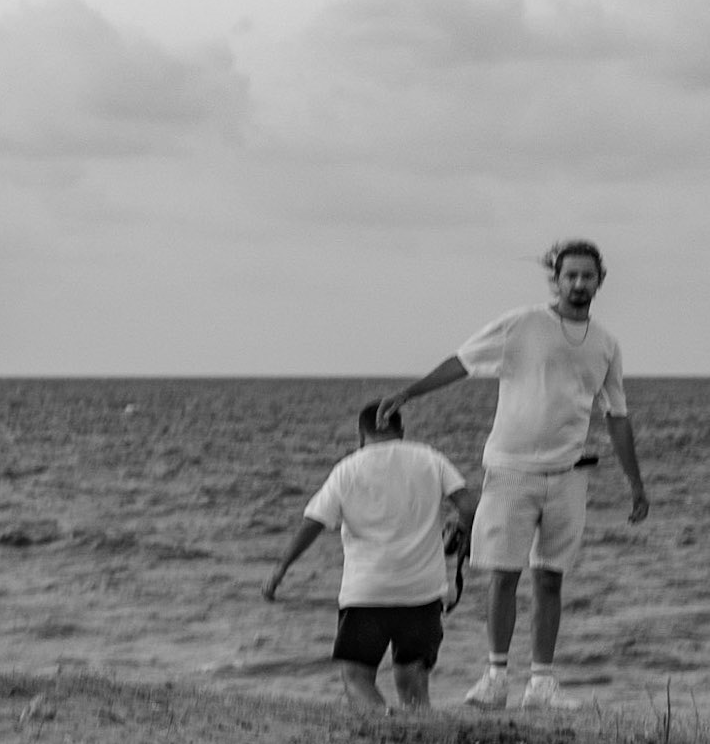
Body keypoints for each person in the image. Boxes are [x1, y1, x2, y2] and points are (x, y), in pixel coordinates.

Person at [377, 240, 647, 710]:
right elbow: (463, 362)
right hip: (510, 471)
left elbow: (616, 416)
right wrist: (410, 393)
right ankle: (495, 677)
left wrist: (636, 484)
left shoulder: (606, 345)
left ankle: (542, 682)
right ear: (556, 280)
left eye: (587, 276)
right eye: (570, 276)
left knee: (550, 579)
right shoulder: (523, 324)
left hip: (568, 475)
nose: (579, 284)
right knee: (503, 576)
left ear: (600, 280)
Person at [264, 403, 476, 711]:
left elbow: (314, 523)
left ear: (361, 435)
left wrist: (280, 570)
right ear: (400, 432)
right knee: (413, 678)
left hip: (366, 594)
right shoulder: (431, 459)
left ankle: (382, 719)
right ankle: (420, 742)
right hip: (422, 592)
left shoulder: (347, 469)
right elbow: (469, 507)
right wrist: (463, 532)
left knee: (356, 676)